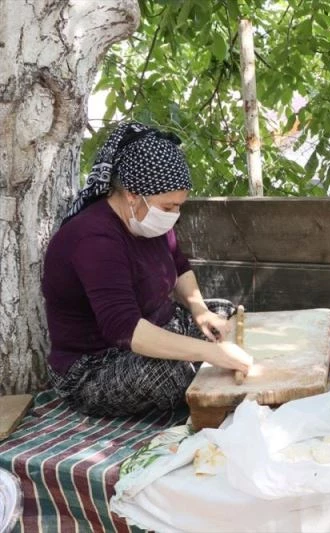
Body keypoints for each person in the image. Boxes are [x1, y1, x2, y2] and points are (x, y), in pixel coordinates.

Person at [42, 121, 253, 417]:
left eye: (179, 206)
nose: (174, 215)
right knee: (177, 372)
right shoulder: (94, 239)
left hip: (158, 326)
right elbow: (124, 329)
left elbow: (179, 265)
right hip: (96, 367)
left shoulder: (147, 221)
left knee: (223, 313)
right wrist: (211, 353)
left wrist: (200, 311)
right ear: (132, 195)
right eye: (168, 207)